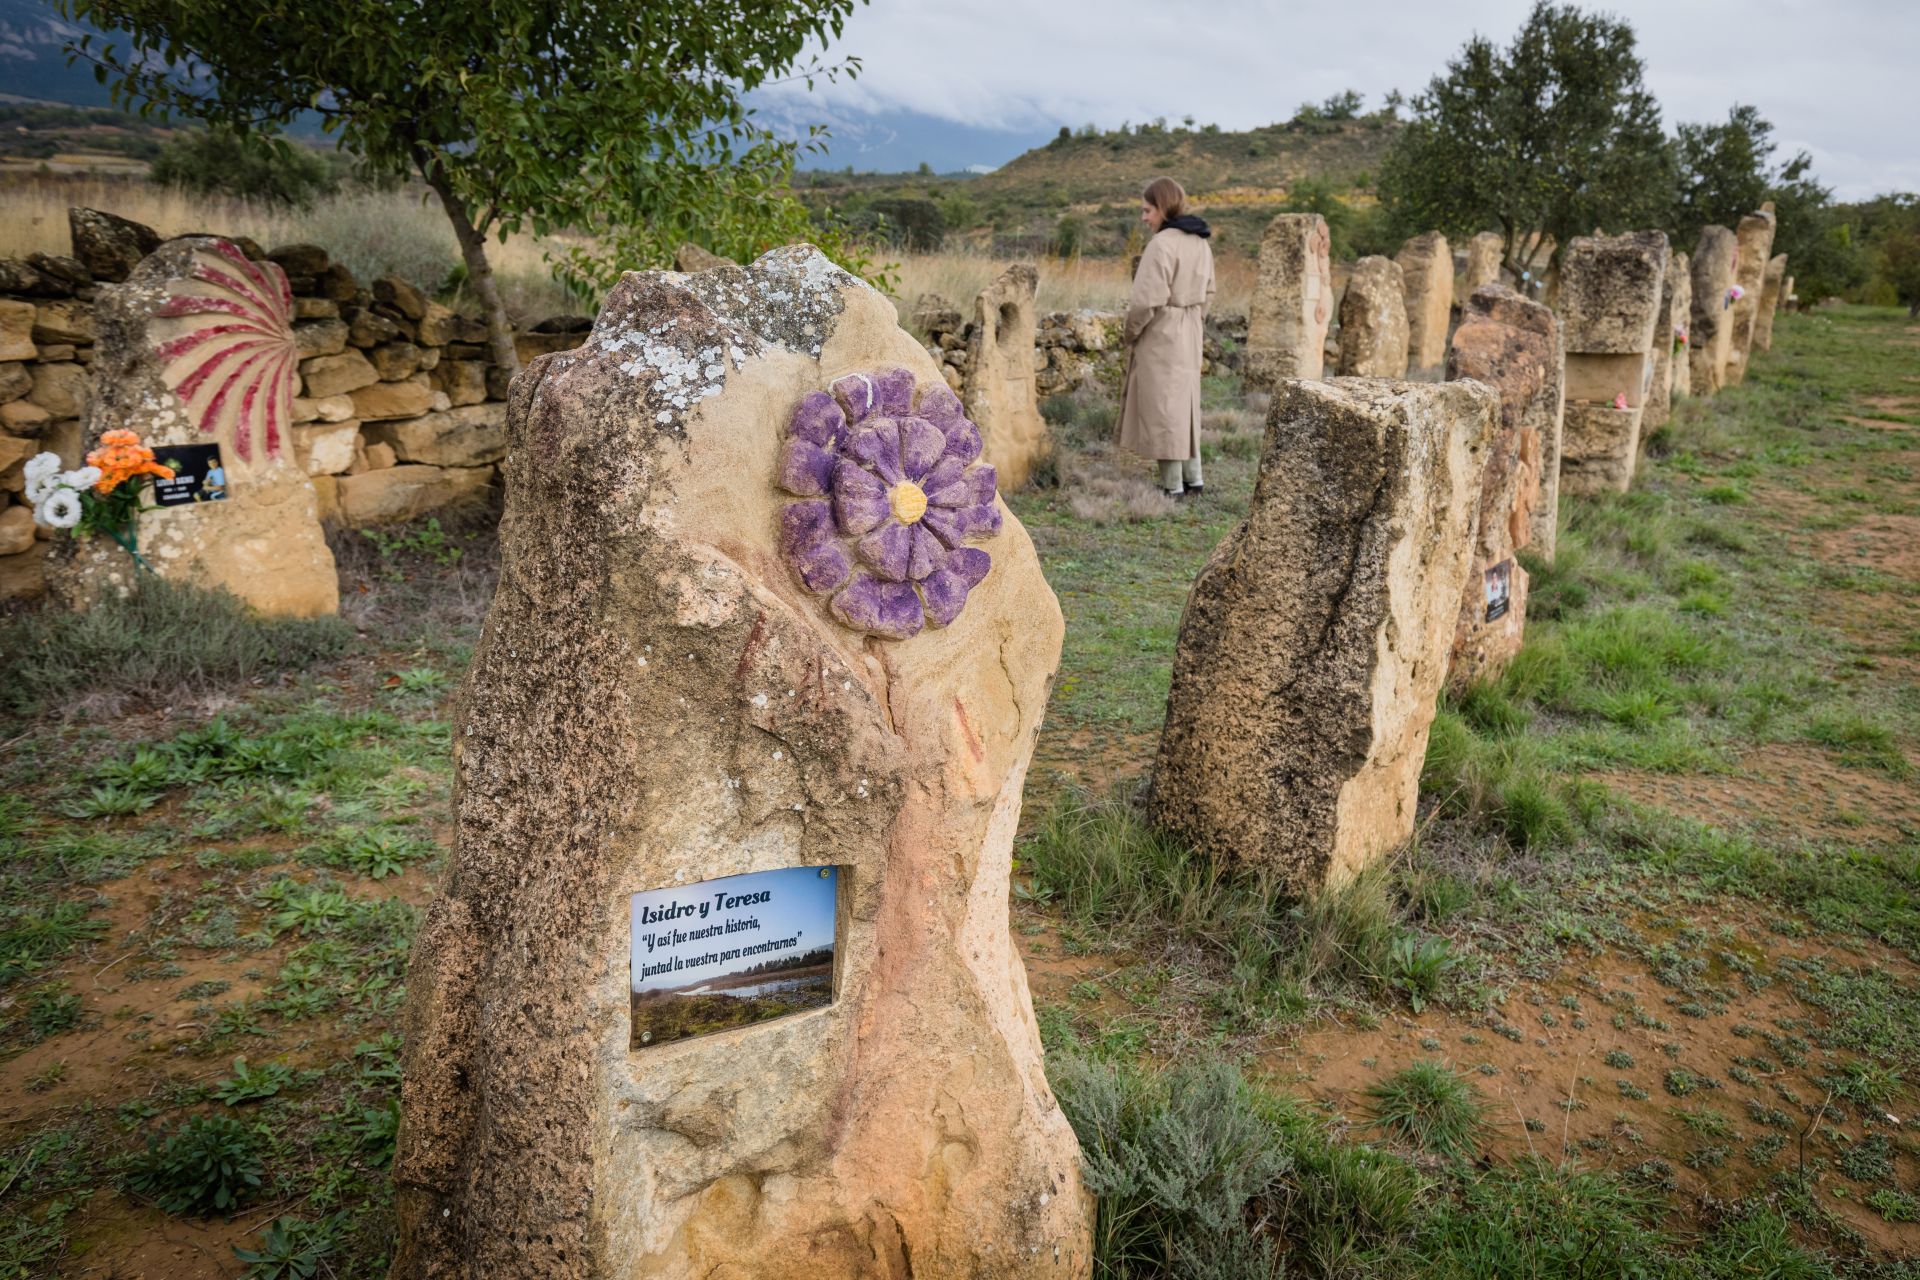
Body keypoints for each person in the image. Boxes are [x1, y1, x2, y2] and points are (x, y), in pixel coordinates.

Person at [1119, 176, 1216, 500]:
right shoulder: (1200, 241)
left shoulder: (1162, 244)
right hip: (1190, 328)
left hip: (1163, 330)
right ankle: (1194, 478)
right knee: (1185, 404)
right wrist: (1193, 320)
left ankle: (1172, 485)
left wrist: (1131, 332)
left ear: (1163, 207)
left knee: (1164, 407)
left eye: (1148, 210)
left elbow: (1145, 300)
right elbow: (1210, 292)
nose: (1144, 218)